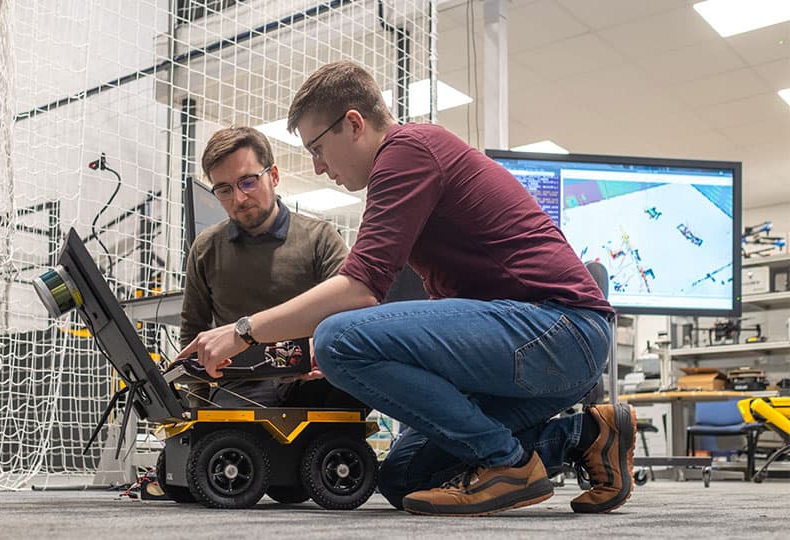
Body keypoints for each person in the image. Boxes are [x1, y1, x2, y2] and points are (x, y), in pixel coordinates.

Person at [178, 61, 636, 517]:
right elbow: (443, 315)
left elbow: (361, 287)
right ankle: (587, 437)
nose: (319, 168)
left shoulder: (408, 150)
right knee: (405, 477)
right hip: (534, 352)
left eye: (318, 148)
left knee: (339, 336)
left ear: (353, 123)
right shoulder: (409, 167)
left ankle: (507, 464)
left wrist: (243, 330)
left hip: (560, 334)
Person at [180, 125, 356, 409]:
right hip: (238, 389)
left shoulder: (320, 238)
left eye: (248, 182)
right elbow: (192, 335)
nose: (239, 198)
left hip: (311, 382)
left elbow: (351, 315)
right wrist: (197, 414)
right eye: (224, 189)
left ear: (273, 176)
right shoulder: (206, 248)